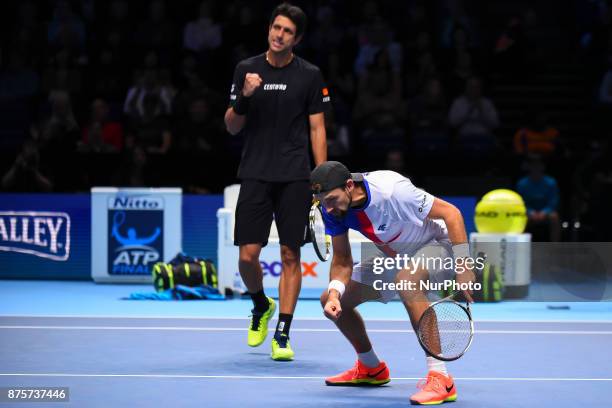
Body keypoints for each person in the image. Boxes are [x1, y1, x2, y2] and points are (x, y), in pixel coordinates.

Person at [312, 161, 475, 405]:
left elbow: (451, 213)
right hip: (397, 256)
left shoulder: (391, 190)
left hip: (437, 244)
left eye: (332, 200)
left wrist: (464, 268)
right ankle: (371, 368)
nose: (328, 208)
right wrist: (336, 292)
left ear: (349, 186)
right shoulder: (331, 209)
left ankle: (441, 378)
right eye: (323, 202)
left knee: (407, 281)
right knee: (331, 300)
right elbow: (343, 260)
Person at [224, 3, 329, 361]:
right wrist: (245, 97)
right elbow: (231, 125)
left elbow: (317, 127)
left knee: (289, 254)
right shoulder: (246, 70)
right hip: (254, 172)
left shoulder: (310, 75)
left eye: (286, 31)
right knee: (247, 257)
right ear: (269, 29)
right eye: (275, 28)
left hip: (295, 177)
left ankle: (282, 333)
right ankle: (260, 305)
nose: (278, 34)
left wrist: (322, 177)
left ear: (296, 38)